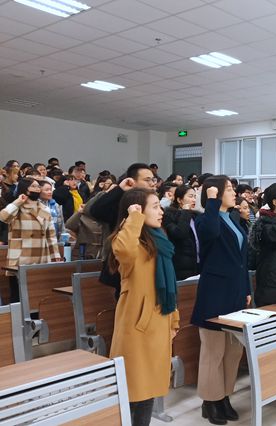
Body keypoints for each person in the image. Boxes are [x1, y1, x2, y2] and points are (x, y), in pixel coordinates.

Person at [108, 188, 179, 425]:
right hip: (137, 330)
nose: (161, 212)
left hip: (159, 324)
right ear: (137, 210)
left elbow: (169, 288)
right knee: (131, 390)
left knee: (149, 391)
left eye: (160, 206)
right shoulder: (127, 240)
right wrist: (133, 217)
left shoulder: (160, 242)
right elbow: (124, 250)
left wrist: (174, 320)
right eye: (155, 207)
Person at [192, 175, 250, 425]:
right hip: (214, 293)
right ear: (213, 193)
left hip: (235, 291)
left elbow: (242, 260)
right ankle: (210, 401)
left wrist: (246, 288)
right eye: (228, 189)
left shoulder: (234, 220)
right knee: (213, 351)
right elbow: (211, 232)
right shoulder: (205, 219)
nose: (234, 192)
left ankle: (224, 396)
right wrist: (212, 201)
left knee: (233, 350)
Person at [90, 163, 157, 297]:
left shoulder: (153, 202)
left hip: (148, 262)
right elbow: (96, 211)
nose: (152, 183)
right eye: (147, 180)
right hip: (125, 266)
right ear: (132, 181)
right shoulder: (122, 203)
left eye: (153, 179)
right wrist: (119, 189)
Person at [0, 178, 61, 301]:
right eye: (34, 186)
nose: (37, 189)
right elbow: (3, 217)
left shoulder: (44, 208)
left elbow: (51, 236)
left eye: (38, 186)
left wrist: (55, 256)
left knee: (36, 296)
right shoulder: (17, 207)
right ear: (25, 189)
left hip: (41, 257)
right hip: (21, 258)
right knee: (18, 297)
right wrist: (18, 201)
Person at [162, 185, 200, 280]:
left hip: (197, 263)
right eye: (190, 196)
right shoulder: (169, 215)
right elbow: (180, 233)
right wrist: (185, 212)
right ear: (179, 200)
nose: (194, 200)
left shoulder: (195, 215)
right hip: (181, 265)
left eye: (195, 197)